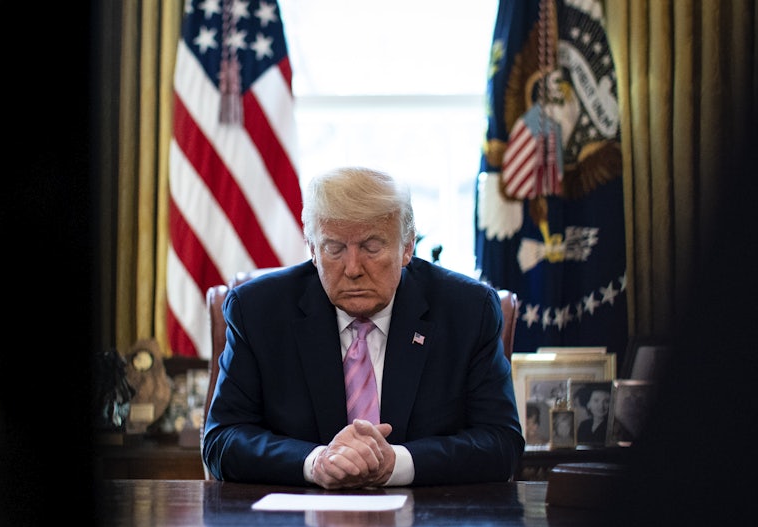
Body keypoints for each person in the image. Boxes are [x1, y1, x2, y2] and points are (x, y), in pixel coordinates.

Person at [203, 166, 523, 489]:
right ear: (313, 250)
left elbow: (501, 443)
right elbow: (221, 440)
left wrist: (397, 463)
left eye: (371, 247)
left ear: (407, 247)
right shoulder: (257, 311)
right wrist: (316, 462)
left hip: (427, 526)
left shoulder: (467, 311)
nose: (353, 268)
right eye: (334, 249)